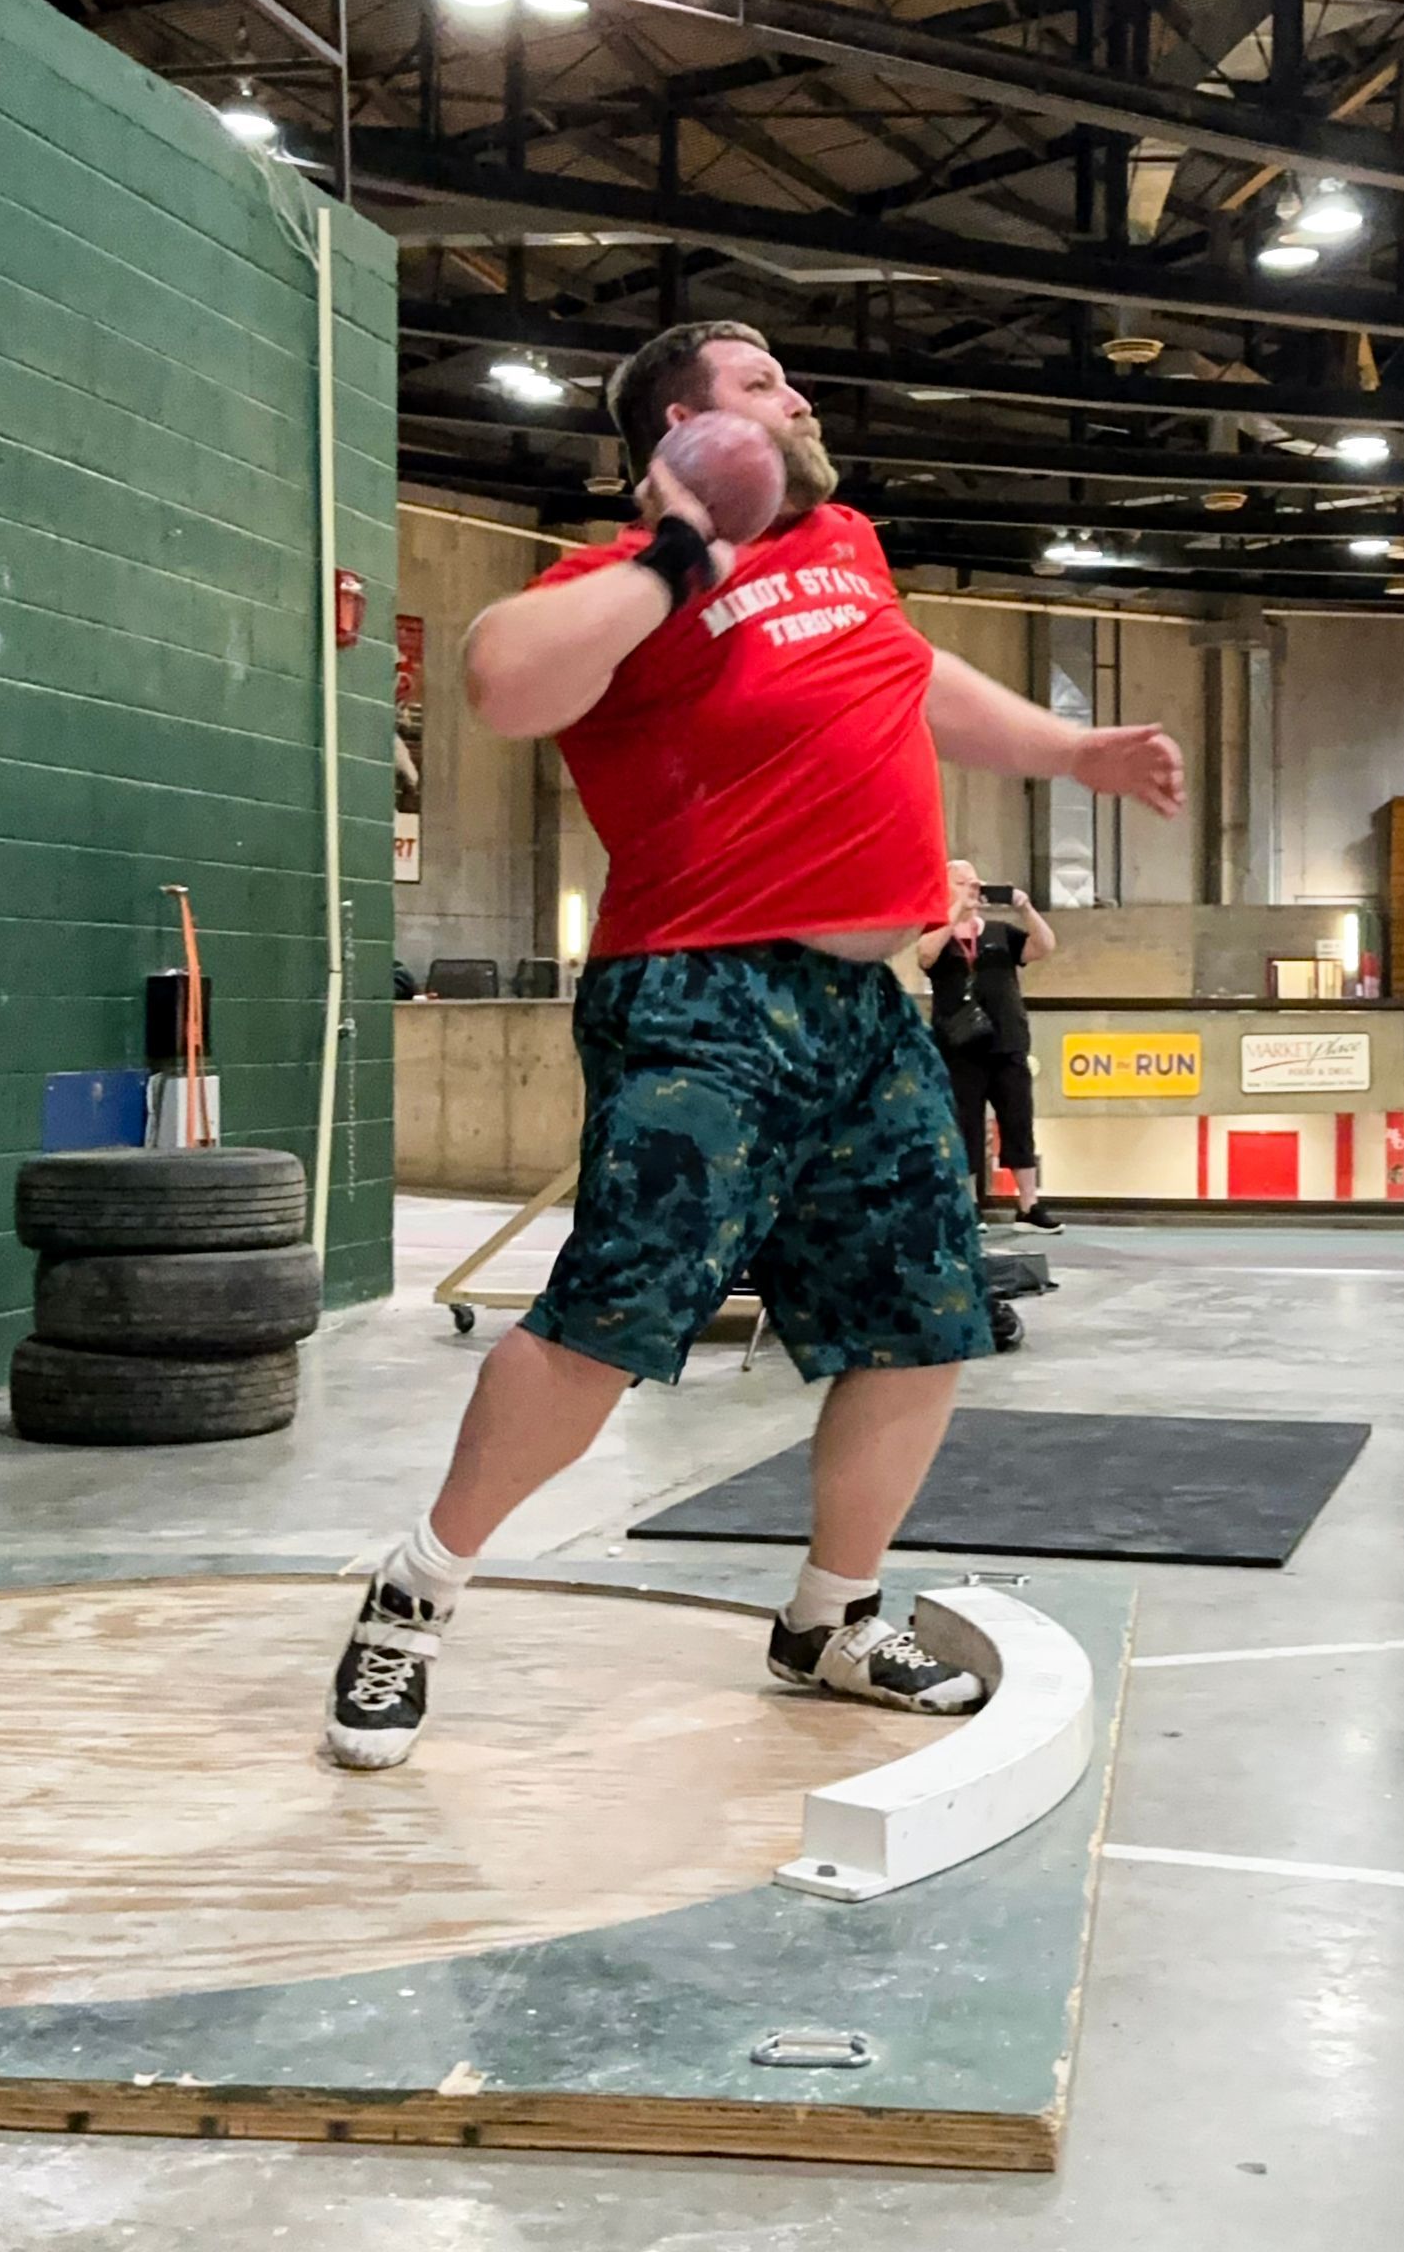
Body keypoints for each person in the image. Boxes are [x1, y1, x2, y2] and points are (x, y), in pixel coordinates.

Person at [324, 319, 1183, 1769]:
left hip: (865, 1009)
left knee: (925, 1321)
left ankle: (831, 1620)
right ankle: (413, 1596)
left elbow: (907, 677)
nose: (797, 393)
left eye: (789, 373)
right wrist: (679, 555)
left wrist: (1069, 751)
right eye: (759, 382)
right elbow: (498, 683)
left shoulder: (843, 541)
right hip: (700, 1000)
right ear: (678, 428)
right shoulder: (616, 584)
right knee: (607, 1323)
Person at [919, 863, 1062, 1233]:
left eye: (975, 883)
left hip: (1006, 1040)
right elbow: (925, 957)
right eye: (962, 883)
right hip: (960, 1045)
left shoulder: (1000, 933)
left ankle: (1029, 1204)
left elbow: (1044, 946)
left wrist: (1025, 908)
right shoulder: (938, 930)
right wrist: (956, 912)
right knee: (964, 1122)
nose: (971, 889)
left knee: (1017, 1119)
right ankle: (968, 1205)